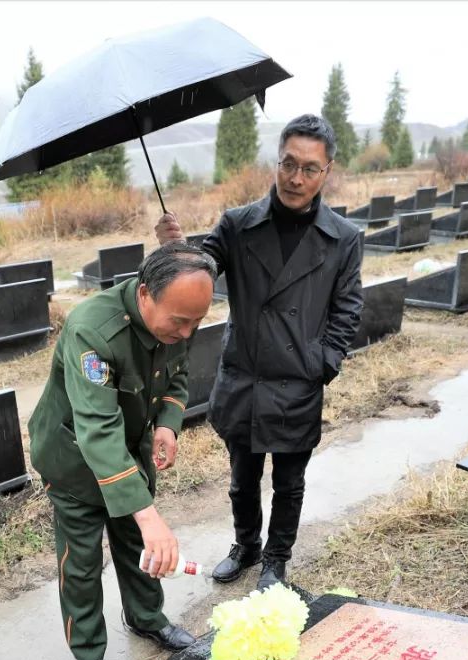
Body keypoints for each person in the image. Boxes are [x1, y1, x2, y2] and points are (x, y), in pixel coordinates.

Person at [155, 113, 363, 592]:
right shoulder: (238, 224)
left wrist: (322, 364)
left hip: (298, 380)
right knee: (241, 480)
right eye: (288, 163)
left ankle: (276, 560)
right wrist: (177, 251)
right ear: (277, 161)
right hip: (245, 378)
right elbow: (203, 267)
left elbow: (348, 309)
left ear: (326, 171)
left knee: (289, 484)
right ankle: (246, 546)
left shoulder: (343, 239)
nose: (295, 177)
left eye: (309, 168)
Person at [28, 243, 216, 660]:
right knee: (83, 559)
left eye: (197, 321)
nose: (188, 330)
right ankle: (89, 651)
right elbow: (98, 429)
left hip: (129, 453)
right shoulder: (93, 330)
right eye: (180, 321)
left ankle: (148, 618)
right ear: (147, 293)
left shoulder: (178, 317)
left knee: (136, 544)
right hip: (74, 459)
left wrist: (169, 425)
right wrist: (149, 515)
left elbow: (176, 376)